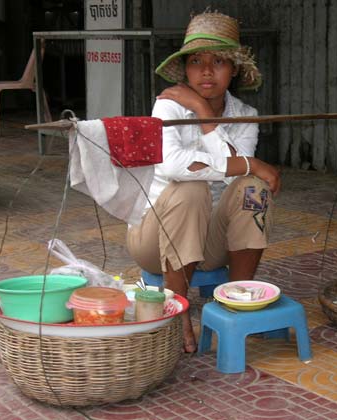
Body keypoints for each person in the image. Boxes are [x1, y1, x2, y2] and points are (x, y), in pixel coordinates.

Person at [126, 11, 281, 352]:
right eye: (196, 61)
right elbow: (175, 167)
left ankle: (239, 302)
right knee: (190, 188)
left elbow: (236, 181)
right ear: (185, 69)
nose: (207, 71)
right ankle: (178, 312)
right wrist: (249, 162)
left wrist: (207, 118)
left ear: (235, 69)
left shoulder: (245, 116)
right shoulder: (167, 107)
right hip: (154, 238)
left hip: (211, 240)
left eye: (219, 61)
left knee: (253, 189)